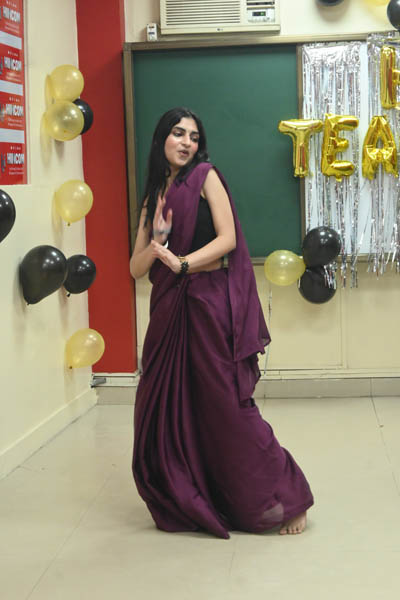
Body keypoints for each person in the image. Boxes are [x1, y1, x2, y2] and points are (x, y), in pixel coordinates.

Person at [130, 107, 313, 538]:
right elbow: (135, 268)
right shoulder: (154, 195)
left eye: (194, 136)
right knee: (166, 408)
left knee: (227, 406)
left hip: (209, 304)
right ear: (161, 139)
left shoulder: (205, 176)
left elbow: (228, 238)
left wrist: (182, 262)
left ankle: (287, 498)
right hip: (169, 311)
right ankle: (190, 494)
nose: (186, 142)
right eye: (178, 134)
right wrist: (157, 243)